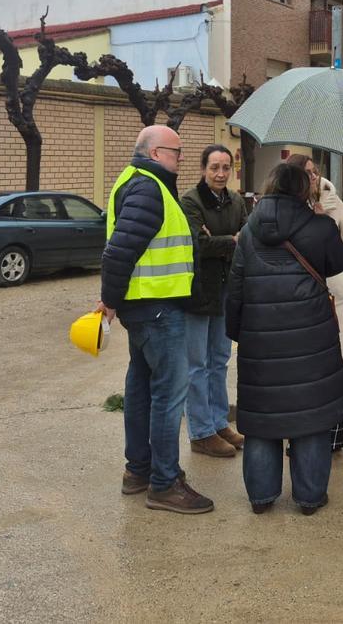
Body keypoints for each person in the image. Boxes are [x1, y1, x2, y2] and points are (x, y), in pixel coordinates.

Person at [97, 124, 213, 514]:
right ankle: (164, 483)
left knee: (142, 389)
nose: (181, 158)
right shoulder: (148, 188)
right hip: (157, 309)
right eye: (176, 151)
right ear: (154, 153)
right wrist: (108, 302)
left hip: (146, 307)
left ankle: (139, 471)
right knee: (168, 395)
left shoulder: (143, 183)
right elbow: (118, 252)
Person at [226, 163, 343, 515]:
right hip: (311, 339)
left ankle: (261, 497)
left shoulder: (249, 230)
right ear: (303, 190)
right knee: (310, 417)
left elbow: (235, 288)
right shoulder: (320, 227)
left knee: (262, 419)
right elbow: (338, 264)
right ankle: (309, 497)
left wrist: (240, 333)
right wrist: (327, 220)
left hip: (259, 339)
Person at [286, 154, 343, 451]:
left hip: (335, 297)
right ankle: (302, 439)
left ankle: (332, 439)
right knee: (304, 373)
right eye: (307, 173)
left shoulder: (332, 201)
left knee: (333, 372)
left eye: (316, 172)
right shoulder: (287, 209)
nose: (314, 177)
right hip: (302, 301)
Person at [179, 144, 248, 459]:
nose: (220, 174)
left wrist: (225, 242)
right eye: (214, 168)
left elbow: (247, 238)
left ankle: (220, 422)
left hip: (225, 288)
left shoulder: (236, 201)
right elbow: (198, 244)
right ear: (203, 169)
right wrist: (230, 240)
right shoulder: (190, 201)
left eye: (225, 168)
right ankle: (201, 431)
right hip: (197, 291)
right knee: (197, 365)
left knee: (219, 360)